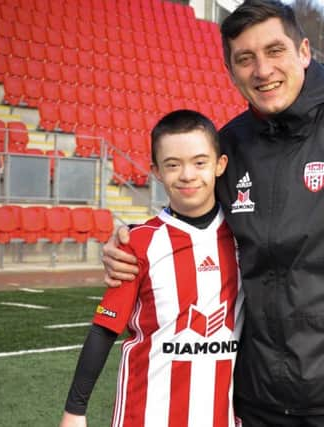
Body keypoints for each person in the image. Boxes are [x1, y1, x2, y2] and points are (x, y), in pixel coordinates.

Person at [102, 1, 324, 426]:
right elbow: (192, 222)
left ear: (304, 52)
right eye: (245, 59)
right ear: (231, 70)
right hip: (258, 400)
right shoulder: (231, 146)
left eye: (275, 51)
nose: (262, 70)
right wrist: (130, 243)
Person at [59, 110, 244, 427]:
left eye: (200, 162)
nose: (187, 174)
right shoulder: (137, 244)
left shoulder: (245, 237)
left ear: (220, 165)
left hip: (221, 418)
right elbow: (104, 330)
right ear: (156, 171)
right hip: (146, 415)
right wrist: (75, 410)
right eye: (173, 164)